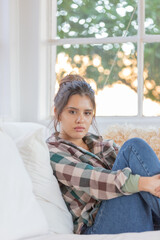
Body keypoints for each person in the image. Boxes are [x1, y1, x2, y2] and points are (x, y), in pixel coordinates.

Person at [47, 74, 160, 235]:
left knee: (134, 152)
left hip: (128, 214)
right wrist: (141, 182)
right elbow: (93, 179)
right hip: (97, 226)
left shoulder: (102, 145)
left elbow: (141, 167)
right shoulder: (53, 151)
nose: (81, 120)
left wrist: (146, 181)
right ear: (57, 113)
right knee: (133, 147)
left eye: (87, 113)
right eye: (72, 112)